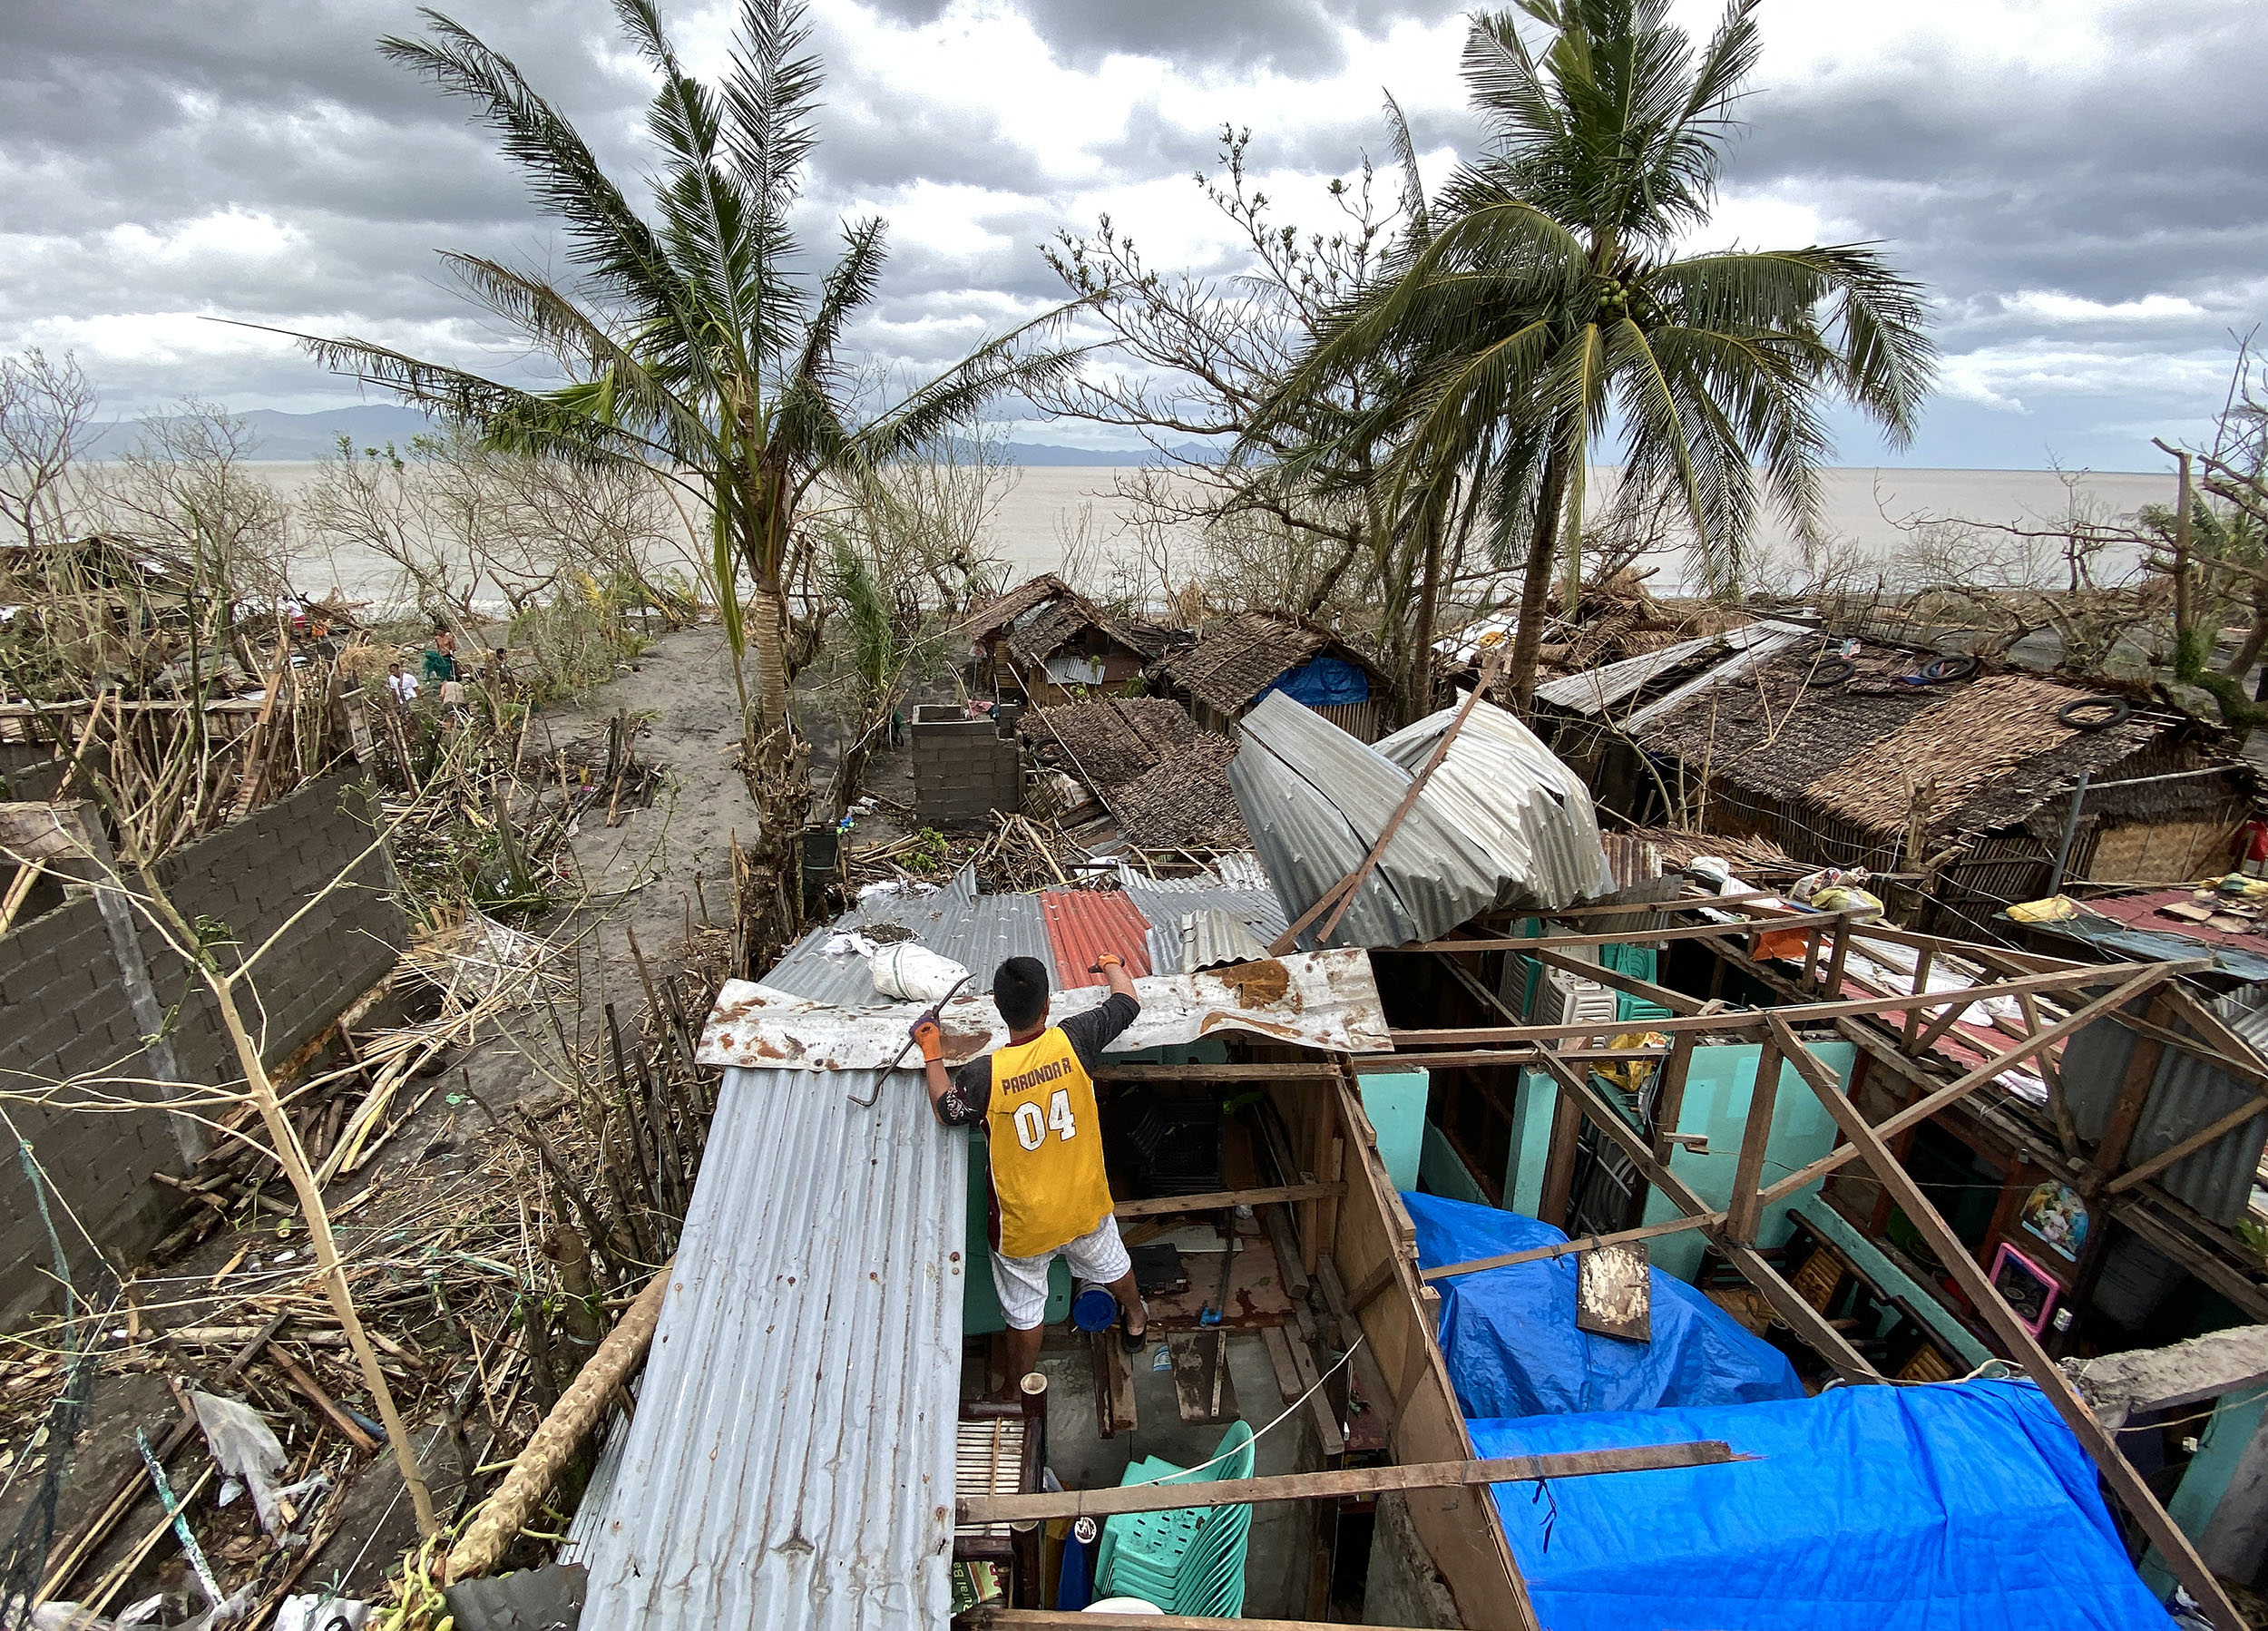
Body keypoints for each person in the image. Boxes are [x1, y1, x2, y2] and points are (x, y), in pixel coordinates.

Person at [921, 952, 1146, 1393]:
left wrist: (932, 1052)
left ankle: (1017, 1386)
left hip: (1024, 1226)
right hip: (1082, 1205)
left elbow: (947, 1110)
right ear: (1047, 1006)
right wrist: (1111, 963)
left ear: (1000, 1010)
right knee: (1111, 1263)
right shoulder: (1074, 1039)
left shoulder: (986, 1074)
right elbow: (1127, 1002)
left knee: (1025, 1311)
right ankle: (1137, 1320)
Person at [423, 630, 465, 709]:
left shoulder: (449, 637)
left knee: (451, 667)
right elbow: (438, 648)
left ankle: (454, 676)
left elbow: (453, 647)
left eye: (439, 631)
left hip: (448, 655)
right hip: (442, 655)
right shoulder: (437, 638)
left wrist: (451, 652)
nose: (438, 632)